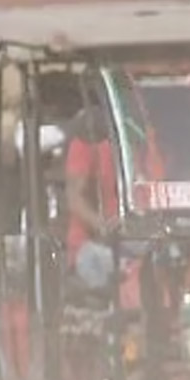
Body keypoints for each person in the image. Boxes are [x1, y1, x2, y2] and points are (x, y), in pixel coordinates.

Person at [64, 103, 120, 291]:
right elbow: (75, 198)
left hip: (140, 241)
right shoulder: (89, 136)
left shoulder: (148, 136)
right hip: (93, 246)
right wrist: (103, 226)